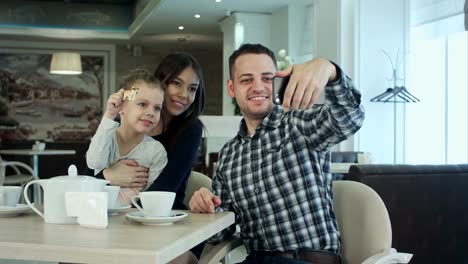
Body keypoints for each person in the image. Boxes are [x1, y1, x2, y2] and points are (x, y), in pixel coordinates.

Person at [189, 43, 365, 264]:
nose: (258, 87)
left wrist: (329, 70)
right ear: (232, 89)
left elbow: (350, 116)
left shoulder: (300, 124)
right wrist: (205, 208)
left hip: (307, 260)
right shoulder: (229, 155)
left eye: (267, 78)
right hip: (256, 260)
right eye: (246, 80)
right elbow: (220, 233)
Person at [89, 52, 206, 263]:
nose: (183, 94)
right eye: (176, 83)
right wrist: (109, 176)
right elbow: (88, 173)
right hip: (118, 220)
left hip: (166, 219)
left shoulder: (189, 130)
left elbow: (166, 187)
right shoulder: (118, 130)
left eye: (192, 89)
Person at [86, 68, 168, 205]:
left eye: (157, 108)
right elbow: (95, 162)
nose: (151, 113)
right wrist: (109, 115)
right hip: (99, 217)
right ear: (122, 107)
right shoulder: (105, 139)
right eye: (143, 104)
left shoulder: (156, 151)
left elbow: (154, 197)